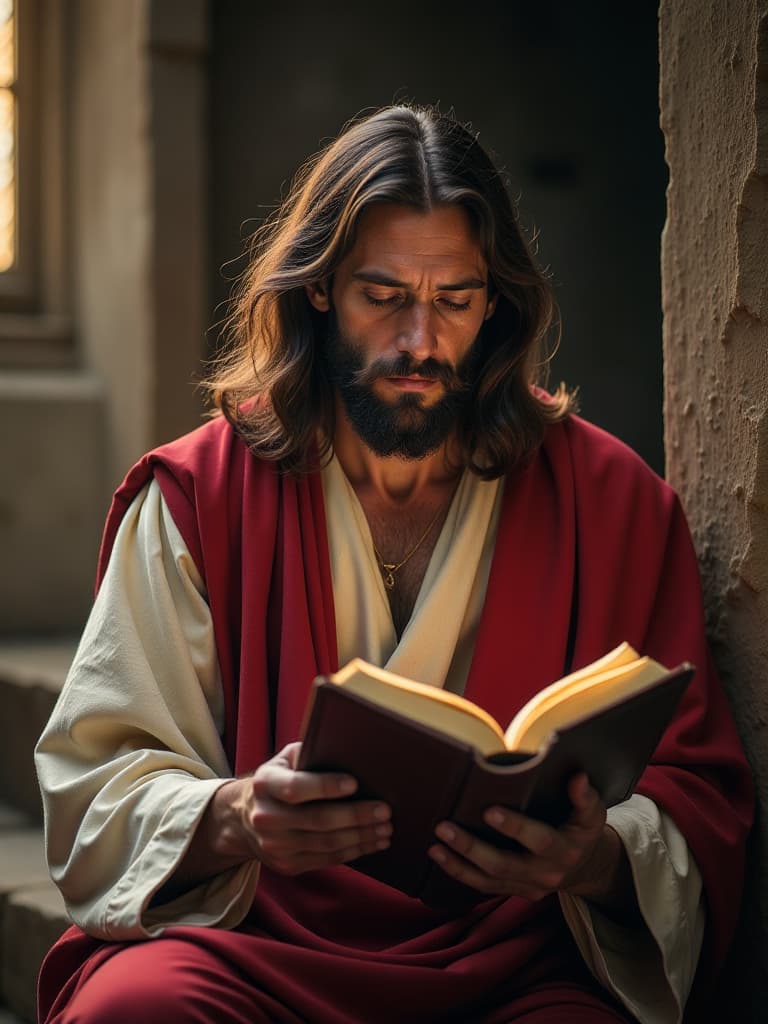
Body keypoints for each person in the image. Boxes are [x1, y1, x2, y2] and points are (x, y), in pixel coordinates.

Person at [35, 104, 752, 1024]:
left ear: (495, 303)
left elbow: (698, 792)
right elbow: (98, 780)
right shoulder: (197, 496)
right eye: (385, 297)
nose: (419, 341)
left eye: (454, 300)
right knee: (134, 1012)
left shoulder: (612, 502)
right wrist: (237, 814)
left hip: (512, 961)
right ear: (323, 288)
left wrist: (595, 858)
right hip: (257, 942)